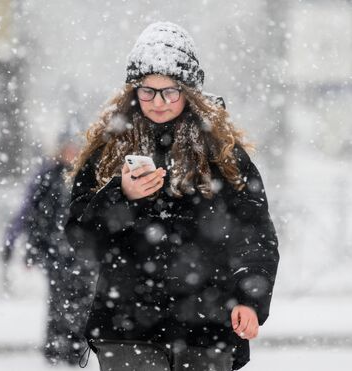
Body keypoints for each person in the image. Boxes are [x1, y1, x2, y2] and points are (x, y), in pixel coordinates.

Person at [65, 22, 279, 371]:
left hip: (207, 327)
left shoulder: (222, 153)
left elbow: (254, 233)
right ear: (133, 92)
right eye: (147, 91)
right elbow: (79, 236)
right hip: (126, 328)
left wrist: (249, 299)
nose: (159, 102)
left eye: (170, 92)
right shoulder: (108, 149)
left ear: (189, 92)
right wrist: (120, 196)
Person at [2, 140, 98, 366]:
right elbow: (33, 216)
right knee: (59, 302)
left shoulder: (89, 176)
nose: (71, 153)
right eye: (68, 148)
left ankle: (76, 350)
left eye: (76, 149)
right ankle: (56, 349)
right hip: (56, 253)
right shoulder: (48, 178)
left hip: (83, 254)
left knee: (83, 302)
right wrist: (30, 251)